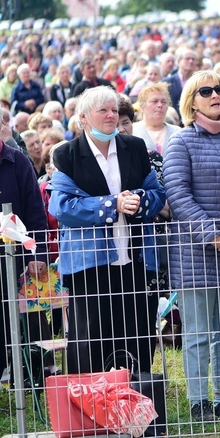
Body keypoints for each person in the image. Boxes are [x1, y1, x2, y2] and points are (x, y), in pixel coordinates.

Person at [48, 86, 166, 375]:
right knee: (92, 340)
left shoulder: (134, 147)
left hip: (135, 261)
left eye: (114, 109)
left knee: (137, 336)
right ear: (84, 118)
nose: (112, 115)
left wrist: (139, 201)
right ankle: (90, 413)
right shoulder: (68, 154)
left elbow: (157, 193)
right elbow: (61, 206)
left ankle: (136, 411)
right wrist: (112, 204)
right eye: (103, 110)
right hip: (90, 266)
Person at [163, 70, 220, 421]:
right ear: (192, 100)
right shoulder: (181, 142)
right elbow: (178, 195)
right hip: (196, 253)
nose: (215, 94)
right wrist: (212, 235)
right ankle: (198, 399)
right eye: (206, 90)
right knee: (198, 333)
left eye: (219, 89)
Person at [0, 112, 49, 379]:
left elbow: (34, 209)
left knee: (26, 319)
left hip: (16, 257)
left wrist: (37, 252)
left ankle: (31, 375)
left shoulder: (17, 159)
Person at [132, 82, 181, 156]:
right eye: (155, 101)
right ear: (142, 107)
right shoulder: (132, 131)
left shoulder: (177, 132)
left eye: (164, 102)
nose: (160, 105)